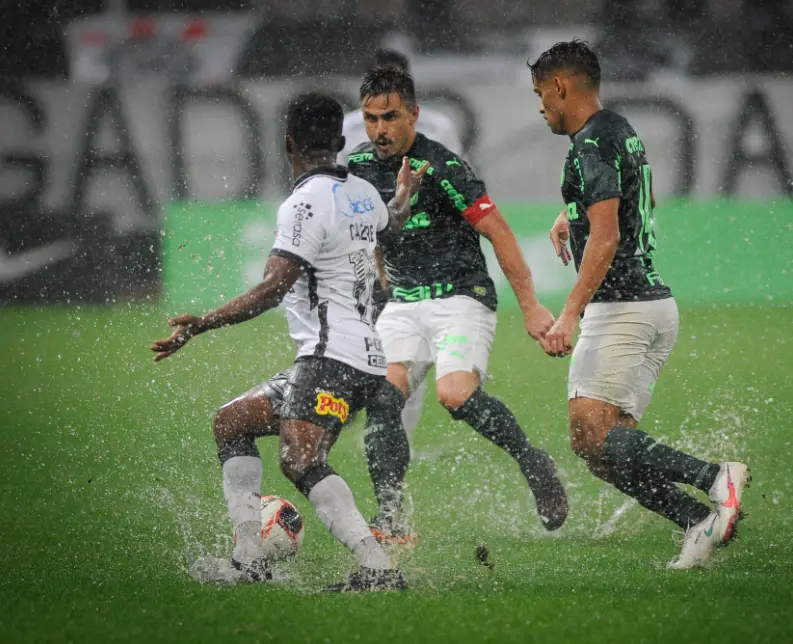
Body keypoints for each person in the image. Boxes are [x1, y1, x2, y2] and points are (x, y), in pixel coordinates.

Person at [151, 92, 428, 591]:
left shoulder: (304, 201)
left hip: (332, 357)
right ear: (342, 143)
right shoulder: (362, 191)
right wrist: (404, 195)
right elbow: (394, 220)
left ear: (287, 144)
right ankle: (249, 558)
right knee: (231, 422)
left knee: (300, 460)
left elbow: (274, 287)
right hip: (356, 357)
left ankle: (378, 569)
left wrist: (203, 323)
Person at [528, 40, 750, 569]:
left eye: (541, 94)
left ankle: (716, 479)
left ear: (561, 85)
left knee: (594, 436)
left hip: (621, 308)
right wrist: (572, 214)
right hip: (649, 306)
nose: (541, 107)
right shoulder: (617, 128)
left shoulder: (589, 145)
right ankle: (696, 522)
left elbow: (605, 237)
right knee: (601, 449)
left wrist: (569, 313)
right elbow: (632, 200)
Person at [347, 66, 569, 540]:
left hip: (461, 297)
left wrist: (530, 306)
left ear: (413, 114)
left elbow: (498, 231)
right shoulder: (361, 167)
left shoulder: (443, 166)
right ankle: (390, 515)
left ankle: (533, 461)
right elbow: (371, 235)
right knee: (382, 399)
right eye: (370, 119)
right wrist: (380, 284)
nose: (379, 130)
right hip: (403, 302)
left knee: (455, 396)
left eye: (389, 117)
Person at [339, 49, 466, 452]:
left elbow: (460, 183)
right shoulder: (349, 127)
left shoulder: (439, 127)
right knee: (356, 350)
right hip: (363, 258)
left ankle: (397, 444)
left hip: (421, 259)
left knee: (410, 355)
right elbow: (338, 191)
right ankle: (342, 416)